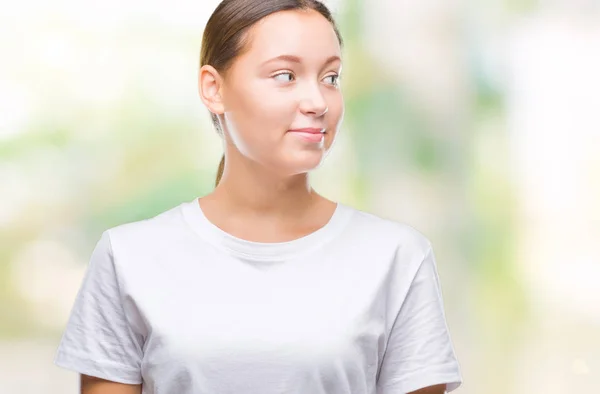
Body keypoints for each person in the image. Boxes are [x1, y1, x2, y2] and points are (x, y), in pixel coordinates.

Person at [53, 1, 463, 393]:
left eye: (331, 78)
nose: (318, 102)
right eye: (285, 75)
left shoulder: (396, 257)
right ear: (214, 88)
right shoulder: (129, 257)